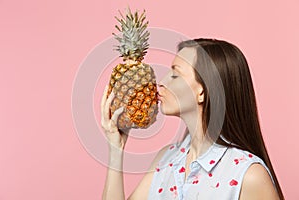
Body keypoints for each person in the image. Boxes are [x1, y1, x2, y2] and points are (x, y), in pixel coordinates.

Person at [101, 38, 284, 199]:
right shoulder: (165, 159)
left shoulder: (249, 175)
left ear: (202, 92)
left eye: (175, 74)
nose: (162, 82)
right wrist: (116, 149)